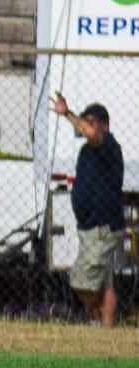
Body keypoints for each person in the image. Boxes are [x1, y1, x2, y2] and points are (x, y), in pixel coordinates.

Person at [52, 93, 126, 326]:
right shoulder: (87, 151)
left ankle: (98, 317)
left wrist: (67, 114)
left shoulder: (108, 146)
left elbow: (92, 134)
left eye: (91, 121)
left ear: (105, 125)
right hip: (90, 226)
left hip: (102, 226)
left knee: (81, 281)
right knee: (103, 282)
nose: (86, 126)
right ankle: (105, 329)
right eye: (86, 121)